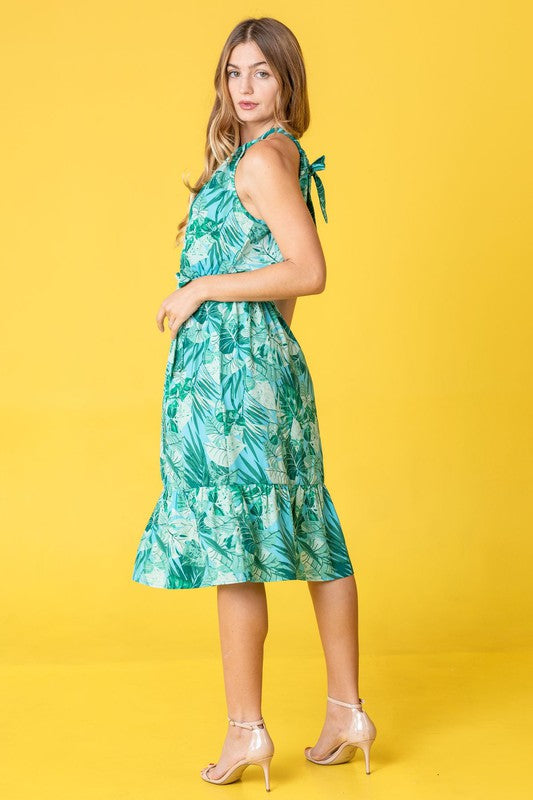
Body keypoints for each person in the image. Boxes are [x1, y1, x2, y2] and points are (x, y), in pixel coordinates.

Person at [131, 16, 377, 790]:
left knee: (239, 548)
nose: (243, 87)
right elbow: (279, 277)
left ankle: (247, 733)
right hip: (253, 372)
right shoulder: (269, 156)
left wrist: (202, 289)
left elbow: (307, 270)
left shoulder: (263, 161)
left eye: (261, 74)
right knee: (304, 523)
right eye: (234, 72)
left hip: (236, 385)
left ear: (286, 84)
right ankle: (345, 710)